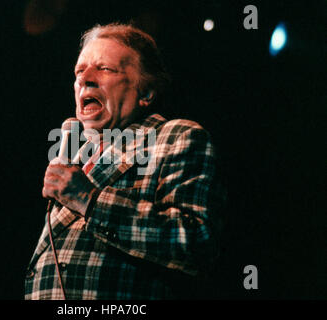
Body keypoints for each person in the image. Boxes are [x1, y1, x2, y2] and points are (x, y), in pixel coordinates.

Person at [24, 23, 225, 300]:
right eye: (79, 71)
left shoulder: (175, 136)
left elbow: (196, 243)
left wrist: (89, 200)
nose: (86, 79)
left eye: (104, 69)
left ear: (146, 93)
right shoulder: (76, 158)